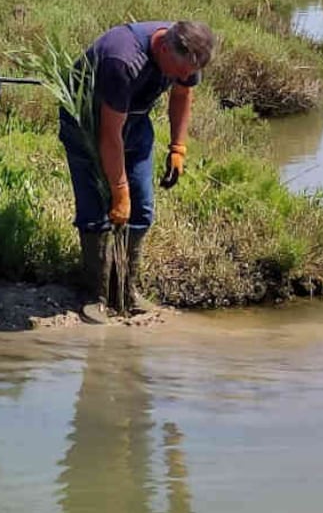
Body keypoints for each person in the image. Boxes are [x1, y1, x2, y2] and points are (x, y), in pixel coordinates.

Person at [59, 21, 215, 323]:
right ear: (164, 48)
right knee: (96, 213)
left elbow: (182, 95)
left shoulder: (189, 55)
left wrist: (177, 148)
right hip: (86, 122)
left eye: (190, 73)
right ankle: (96, 296)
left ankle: (125, 292)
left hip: (134, 120)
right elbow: (108, 136)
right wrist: (119, 190)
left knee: (141, 209)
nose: (185, 77)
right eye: (180, 71)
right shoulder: (123, 60)